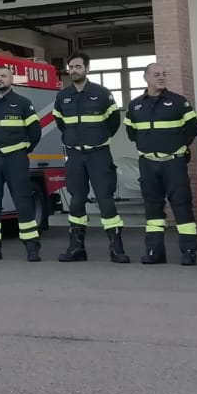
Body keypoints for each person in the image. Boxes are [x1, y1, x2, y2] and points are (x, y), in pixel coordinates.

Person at [52, 51, 129, 263]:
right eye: (71, 67)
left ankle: (116, 249)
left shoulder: (102, 93)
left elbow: (113, 123)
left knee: (105, 200)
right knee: (76, 200)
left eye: (78, 66)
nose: (74, 70)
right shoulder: (62, 96)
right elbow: (60, 123)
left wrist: (98, 138)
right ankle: (76, 248)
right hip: (75, 156)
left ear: (87, 69)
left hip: (98, 154)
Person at [123, 63, 197, 265]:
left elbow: (192, 130)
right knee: (153, 209)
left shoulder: (178, 102)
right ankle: (154, 252)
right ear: (146, 77)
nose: (161, 77)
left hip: (173, 163)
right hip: (148, 164)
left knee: (182, 206)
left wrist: (177, 148)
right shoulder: (135, 105)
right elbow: (131, 133)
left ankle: (188, 252)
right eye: (157, 74)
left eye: (164, 74)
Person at [0, 68, 43, 261]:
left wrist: (23, 150)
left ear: (11, 79)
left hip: (16, 159)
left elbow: (35, 131)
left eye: (3, 76)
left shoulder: (23, 103)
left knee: (23, 202)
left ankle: (32, 247)